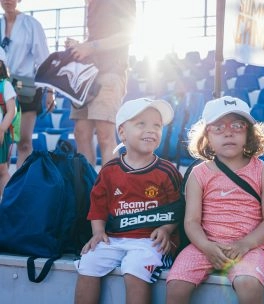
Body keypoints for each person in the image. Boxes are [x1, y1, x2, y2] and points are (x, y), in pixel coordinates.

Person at [166, 96, 264, 304]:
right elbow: (191, 221)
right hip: (205, 246)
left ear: (249, 133)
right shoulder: (199, 174)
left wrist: (246, 244)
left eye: (238, 125)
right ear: (207, 135)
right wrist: (206, 247)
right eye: (218, 127)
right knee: (176, 285)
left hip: (249, 247)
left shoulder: (261, 171)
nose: (228, 132)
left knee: (249, 284)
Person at [74, 97, 183, 304]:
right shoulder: (109, 170)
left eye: (157, 126)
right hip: (114, 238)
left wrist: (167, 229)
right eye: (141, 124)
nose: (151, 130)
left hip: (150, 241)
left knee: (135, 268)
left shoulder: (167, 171)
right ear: (122, 132)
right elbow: (98, 205)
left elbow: (178, 208)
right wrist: (98, 232)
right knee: (88, 262)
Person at [66, 0, 136, 166]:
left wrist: (90, 47)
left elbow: (127, 35)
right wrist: (80, 46)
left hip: (110, 71)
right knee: (81, 133)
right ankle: (87, 188)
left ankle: (110, 191)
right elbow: (96, 38)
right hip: (87, 75)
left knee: (105, 135)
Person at [0, 0, 55, 168]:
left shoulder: (31, 24)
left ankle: (20, 186)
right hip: (2, 87)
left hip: (26, 89)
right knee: (2, 142)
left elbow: (44, 59)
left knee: (24, 141)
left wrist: (51, 91)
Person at [0, 47, 16, 196]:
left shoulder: (5, 85)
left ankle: (6, 202)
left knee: (2, 169)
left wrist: (2, 129)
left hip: (0, 133)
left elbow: (12, 110)